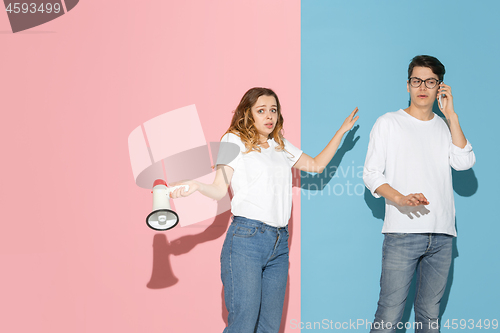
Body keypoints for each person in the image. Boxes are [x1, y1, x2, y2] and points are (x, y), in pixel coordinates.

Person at [171, 87, 358, 333]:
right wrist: (196, 185)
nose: (269, 116)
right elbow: (219, 189)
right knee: (243, 324)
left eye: (273, 110)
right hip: (246, 240)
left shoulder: (279, 145)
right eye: (261, 111)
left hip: (279, 244)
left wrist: (340, 133)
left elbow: (316, 165)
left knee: (269, 327)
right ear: (247, 114)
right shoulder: (232, 140)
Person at [363, 55, 476, 332]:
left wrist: (451, 116)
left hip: (442, 234)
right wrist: (400, 198)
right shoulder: (388, 123)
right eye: (416, 80)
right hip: (403, 231)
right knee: (389, 314)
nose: (422, 87)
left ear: (440, 87)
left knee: (429, 316)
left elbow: (464, 162)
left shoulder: (445, 127)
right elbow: (371, 174)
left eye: (430, 81)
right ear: (407, 85)